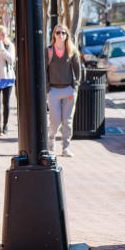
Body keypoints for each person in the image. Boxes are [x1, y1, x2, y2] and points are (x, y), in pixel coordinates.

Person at [47, 24, 82, 157]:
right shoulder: (49, 51)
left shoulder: (72, 51)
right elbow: (44, 70)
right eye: (58, 33)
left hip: (69, 90)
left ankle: (66, 148)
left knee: (67, 121)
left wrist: (75, 87)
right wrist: (47, 88)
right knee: (55, 120)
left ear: (67, 35)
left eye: (63, 33)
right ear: (54, 34)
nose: (61, 35)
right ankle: (51, 139)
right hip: (53, 91)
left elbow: (78, 71)